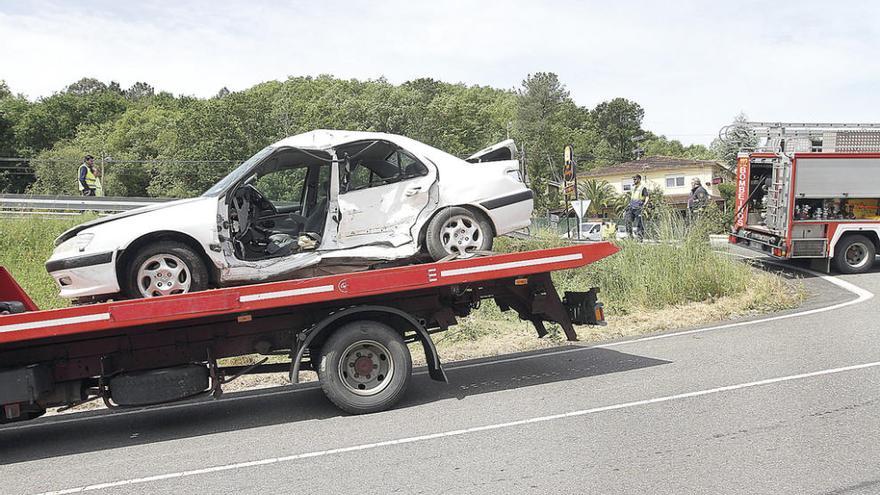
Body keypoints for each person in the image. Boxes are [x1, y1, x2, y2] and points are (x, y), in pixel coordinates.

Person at [624, 174, 649, 240]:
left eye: (635, 179)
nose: (634, 180)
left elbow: (647, 197)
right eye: (633, 179)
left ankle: (639, 237)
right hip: (631, 207)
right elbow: (633, 197)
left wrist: (644, 205)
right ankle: (630, 236)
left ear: (639, 179)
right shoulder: (633, 188)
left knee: (639, 223)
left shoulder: (643, 188)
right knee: (627, 220)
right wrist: (629, 204)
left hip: (639, 208)